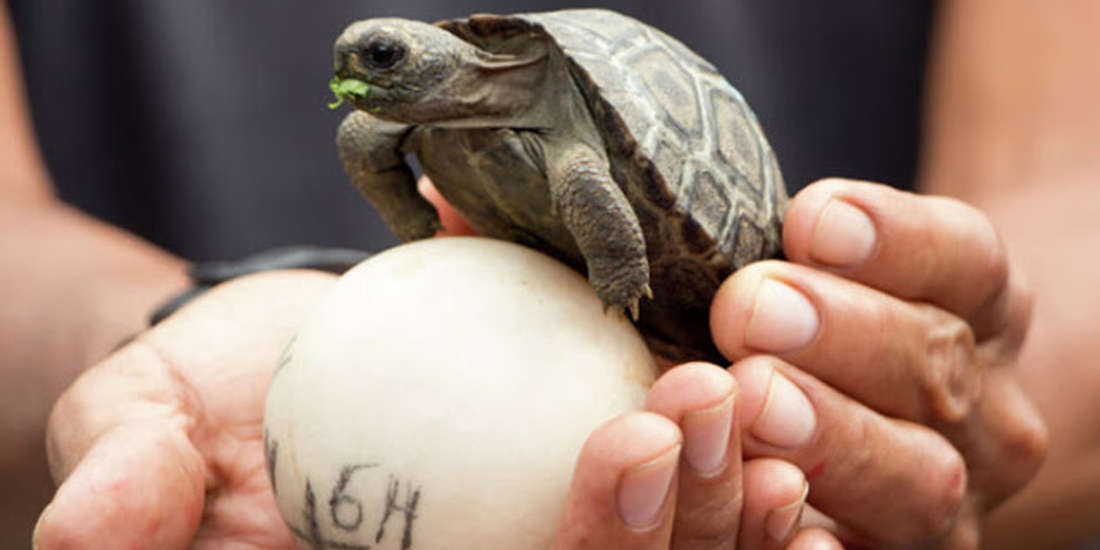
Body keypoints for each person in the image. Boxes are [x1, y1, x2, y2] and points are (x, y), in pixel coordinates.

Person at [2, 1, 1098, 548]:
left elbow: (1068, 184)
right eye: (361, 64)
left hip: (711, 292)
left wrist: (905, 387)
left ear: (435, 60)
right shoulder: (389, 123)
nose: (361, 78)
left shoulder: (559, 120)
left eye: (383, 61)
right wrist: (156, 335)